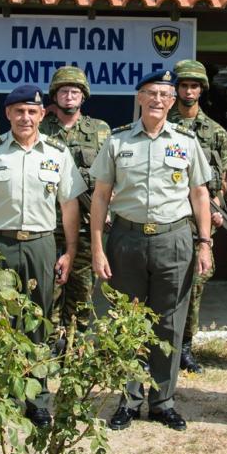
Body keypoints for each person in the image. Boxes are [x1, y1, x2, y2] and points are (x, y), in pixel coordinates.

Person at [91, 70, 214, 432]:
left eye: (165, 94)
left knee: (169, 323)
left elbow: (200, 195)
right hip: (126, 239)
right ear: (139, 98)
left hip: (173, 239)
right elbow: (100, 196)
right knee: (127, 322)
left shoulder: (187, 142)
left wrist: (204, 243)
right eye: (151, 93)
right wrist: (98, 247)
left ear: (173, 101)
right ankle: (128, 400)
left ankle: (163, 401)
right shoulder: (117, 142)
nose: (158, 99)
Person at [0, 84, 85, 427]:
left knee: (41, 322)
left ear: (43, 114)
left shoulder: (58, 154)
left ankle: (38, 398)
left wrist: (69, 252)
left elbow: (69, 207)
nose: (25, 117)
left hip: (41, 247)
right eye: (19, 111)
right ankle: (2, 395)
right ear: (8, 114)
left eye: (32, 111)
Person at [169, 59, 227, 373]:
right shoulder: (161, 125)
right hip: (169, 216)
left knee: (195, 284)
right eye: (184, 85)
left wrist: (217, 208)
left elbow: (220, 180)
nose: (189, 91)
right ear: (176, 89)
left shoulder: (216, 133)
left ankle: (185, 347)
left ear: (202, 90)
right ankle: (162, 344)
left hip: (201, 219)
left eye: (194, 86)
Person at [40, 66, 111, 330]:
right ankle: (49, 351)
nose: (69, 96)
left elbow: (111, 176)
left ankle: (73, 352)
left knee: (81, 297)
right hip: (45, 224)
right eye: (63, 91)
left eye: (74, 91)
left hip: (85, 226)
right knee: (48, 294)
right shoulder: (39, 126)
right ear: (54, 96)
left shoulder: (100, 131)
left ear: (83, 96)